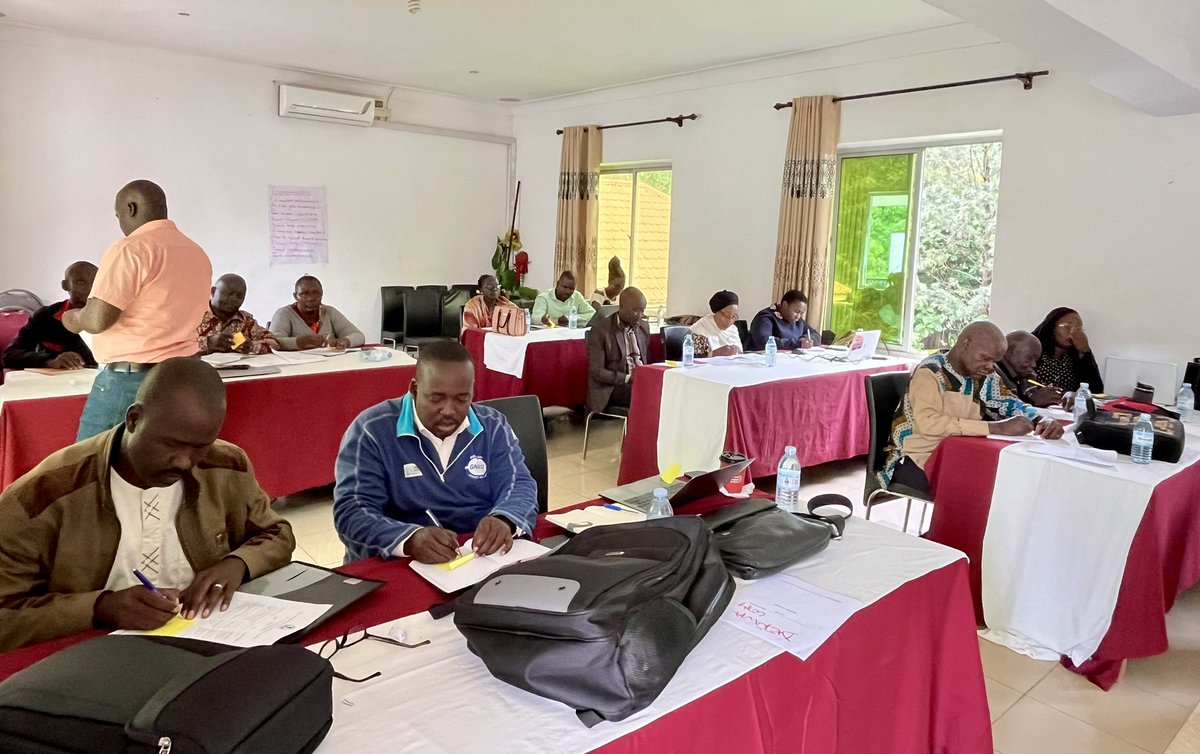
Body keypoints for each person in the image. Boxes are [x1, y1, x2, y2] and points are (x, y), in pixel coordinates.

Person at [0, 357, 295, 652]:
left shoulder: (225, 464)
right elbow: (5, 616)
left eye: (199, 447)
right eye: (170, 444)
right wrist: (100, 606)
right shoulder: (44, 495)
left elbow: (277, 534)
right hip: (91, 654)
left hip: (205, 641)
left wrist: (236, 565)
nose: (184, 462)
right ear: (134, 419)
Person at [333, 341, 537, 564]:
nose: (449, 411)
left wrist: (504, 518)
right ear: (414, 389)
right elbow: (352, 511)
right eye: (436, 398)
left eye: (462, 399)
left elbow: (519, 483)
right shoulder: (371, 430)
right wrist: (409, 539)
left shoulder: (492, 425)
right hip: (399, 561)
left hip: (476, 558)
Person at [63, 180, 213, 441]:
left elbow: (98, 319)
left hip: (132, 382)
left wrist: (73, 318)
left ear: (131, 208)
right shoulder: (196, 252)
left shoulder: (131, 248)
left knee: (93, 467)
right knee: (164, 466)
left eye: (118, 216)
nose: (120, 223)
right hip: (185, 378)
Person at [880, 322, 1064, 496]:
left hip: (960, 452)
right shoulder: (930, 373)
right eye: (985, 358)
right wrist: (996, 428)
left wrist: (1040, 419)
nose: (990, 367)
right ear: (965, 343)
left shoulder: (984, 376)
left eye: (995, 361)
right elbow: (928, 424)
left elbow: (1010, 403)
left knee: (1011, 477)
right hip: (916, 459)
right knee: (985, 488)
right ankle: (950, 529)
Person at [1, 261, 97, 371]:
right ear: (65, 285)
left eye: (95, 283)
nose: (89, 288)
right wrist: (50, 361)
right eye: (81, 282)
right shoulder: (45, 316)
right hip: (53, 384)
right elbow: (10, 355)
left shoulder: (109, 317)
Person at [586, 287, 650, 414]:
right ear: (621, 306)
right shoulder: (600, 330)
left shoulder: (644, 327)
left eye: (642, 310)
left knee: (667, 390)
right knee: (648, 395)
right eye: (635, 310)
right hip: (613, 388)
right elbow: (596, 371)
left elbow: (645, 360)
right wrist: (627, 378)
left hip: (639, 381)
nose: (639, 315)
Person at [270, 275, 365, 351]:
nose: (311, 298)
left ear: (322, 294)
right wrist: (299, 342)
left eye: (316, 293)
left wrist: (345, 342)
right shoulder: (284, 313)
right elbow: (272, 341)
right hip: (298, 368)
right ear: (295, 296)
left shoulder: (329, 312)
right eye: (304, 293)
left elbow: (358, 335)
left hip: (330, 365)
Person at [197, 274, 278, 355]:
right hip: (198, 366)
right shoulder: (194, 317)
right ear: (213, 292)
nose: (234, 299)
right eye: (229, 293)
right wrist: (208, 343)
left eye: (239, 296)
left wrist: (250, 346)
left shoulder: (246, 321)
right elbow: (184, 345)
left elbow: (273, 342)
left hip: (237, 366)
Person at [1030, 307, 1103, 393]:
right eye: (1067, 326)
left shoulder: (1076, 356)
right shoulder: (1033, 348)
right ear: (1052, 328)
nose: (1072, 332)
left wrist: (1085, 353)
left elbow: (1096, 391)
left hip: (1064, 405)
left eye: (1078, 328)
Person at [997, 330, 1064, 408]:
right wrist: (1031, 401)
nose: (1034, 365)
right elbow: (1005, 407)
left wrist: (1029, 388)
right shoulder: (995, 373)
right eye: (1029, 358)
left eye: (1036, 360)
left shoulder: (1016, 376)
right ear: (1009, 351)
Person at [748, 289, 818, 351]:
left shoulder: (798, 321)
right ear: (785, 305)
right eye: (796, 311)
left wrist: (804, 339)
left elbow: (816, 335)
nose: (798, 316)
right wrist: (797, 343)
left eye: (801, 313)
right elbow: (763, 341)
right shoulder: (766, 317)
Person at [532, 271, 596, 327]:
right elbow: (535, 319)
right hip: (549, 336)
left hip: (572, 335)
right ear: (557, 284)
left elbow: (593, 315)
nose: (567, 291)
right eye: (564, 287)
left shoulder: (577, 296)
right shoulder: (543, 298)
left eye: (571, 289)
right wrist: (554, 321)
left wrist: (570, 318)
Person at [690, 290, 743, 357]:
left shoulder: (733, 329)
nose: (730, 321)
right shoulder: (701, 328)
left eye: (734, 316)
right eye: (727, 315)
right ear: (716, 312)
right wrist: (714, 353)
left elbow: (740, 354)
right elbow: (695, 357)